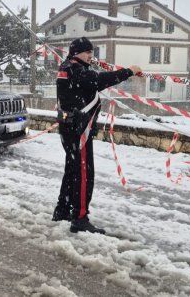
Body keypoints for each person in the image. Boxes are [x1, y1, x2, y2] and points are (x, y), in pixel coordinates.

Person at [53, 37, 141, 234]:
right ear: (77, 52)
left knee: (72, 170)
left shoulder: (67, 67)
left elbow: (91, 81)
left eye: (92, 52)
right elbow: (99, 81)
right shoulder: (75, 69)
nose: (91, 56)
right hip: (79, 130)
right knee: (84, 174)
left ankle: (63, 210)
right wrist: (129, 71)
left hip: (69, 128)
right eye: (87, 52)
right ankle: (80, 218)